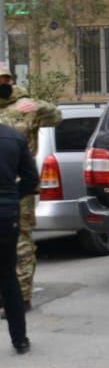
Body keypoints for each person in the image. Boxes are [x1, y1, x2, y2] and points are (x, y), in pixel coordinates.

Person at [0, 66, 62, 315]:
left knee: (21, 243)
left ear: (11, 81)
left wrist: (36, 106)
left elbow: (57, 116)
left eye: (4, 80)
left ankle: (22, 296)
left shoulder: (26, 107)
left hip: (18, 186)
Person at [0, 120, 38, 353]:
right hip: (6, 215)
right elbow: (31, 179)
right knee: (8, 277)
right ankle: (20, 340)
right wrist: (12, 197)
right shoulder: (13, 137)